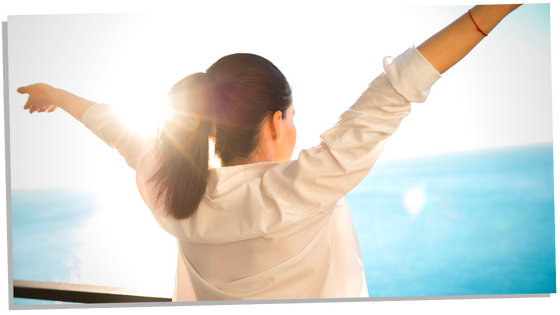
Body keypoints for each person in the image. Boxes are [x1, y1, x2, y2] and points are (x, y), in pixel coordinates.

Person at [17, 2, 524, 301]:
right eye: (294, 114)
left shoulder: (172, 191)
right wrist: (496, 8)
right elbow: (393, 93)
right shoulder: (301, 190)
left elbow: (117, 130)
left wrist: (58, 96)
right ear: (276, 120)